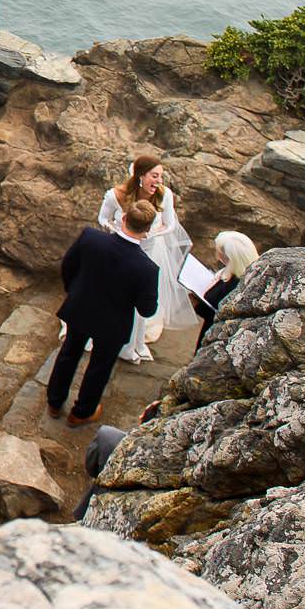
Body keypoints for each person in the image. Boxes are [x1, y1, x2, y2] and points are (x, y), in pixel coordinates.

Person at [46, 197, 161, 426]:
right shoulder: (147, 268)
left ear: (124, 218)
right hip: (112, 324)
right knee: (99, 368)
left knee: (69, 353)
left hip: (80, 308)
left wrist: (74, 291)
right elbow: (147, 310)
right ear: (147, 230)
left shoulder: (91, 238)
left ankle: (54, 401)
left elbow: (68, 265)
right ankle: (81, 412)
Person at [99, 155, 192, 362]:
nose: (159, 181)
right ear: (141, 176)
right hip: (120, 251)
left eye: (161, 176)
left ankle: (134, 341)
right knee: (116, 294)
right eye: (155, 176)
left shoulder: (164, 195)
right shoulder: (117, 195)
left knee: (139, 298)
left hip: (150, 252)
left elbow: (170, 224)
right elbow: (102, 218)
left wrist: (152, 233)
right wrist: (115, 228)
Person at [192, 230, 258, 350]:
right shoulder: (246, 276)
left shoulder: (234, 284)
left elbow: (213, 311)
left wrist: (196, 302)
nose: (217, 256)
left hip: (216, 337)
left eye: (220, 252)